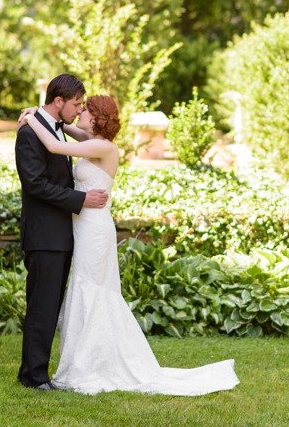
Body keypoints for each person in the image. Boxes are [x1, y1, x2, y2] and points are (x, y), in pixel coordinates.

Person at [19, 94, 239, 396]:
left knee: (94, 291)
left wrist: (31, 118)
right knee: (86, 290)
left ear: (96, 118)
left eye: (86, 109)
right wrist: (49, 117)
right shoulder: (93, 139)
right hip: (83, 227)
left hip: (94, 229)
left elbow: (56, 145)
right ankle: (83, 361)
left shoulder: (103, 147)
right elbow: (66, 130)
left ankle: (94, 364)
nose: (80, 112)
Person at [14, 74, 109, 390]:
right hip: (43, 235)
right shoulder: (29, 135)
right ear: (58, 101)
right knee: (41, 306)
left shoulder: (53, 129)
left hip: (60, 235)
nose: (78, 109)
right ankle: (34, 377)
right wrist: (81, 199)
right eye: (76, 104)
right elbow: (36, 184)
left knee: (49, 306)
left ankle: (33, 372)